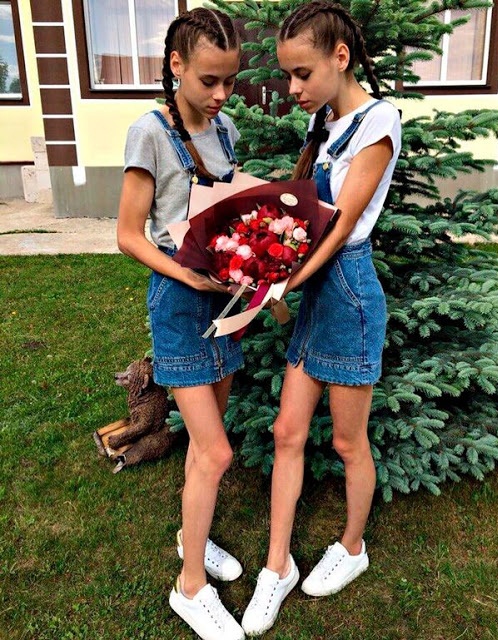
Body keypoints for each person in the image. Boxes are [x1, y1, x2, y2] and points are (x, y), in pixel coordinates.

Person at [242, 1, 401, 635]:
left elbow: (338, 229)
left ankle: (353, 549)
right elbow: (299, 210)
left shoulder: (377, 121)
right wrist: (260, 250)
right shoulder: (326, 122)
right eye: (287, 75)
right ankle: (276, 566)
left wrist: (283, 283)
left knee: (346, 442)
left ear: (341, 57)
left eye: (302, 73)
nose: (292, 88)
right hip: (314, 292)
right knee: (287, 431)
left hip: (348, 292)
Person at [117, 8, 246, 640]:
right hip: (179, 300)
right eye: (208, 81)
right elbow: (127, 234)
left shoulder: (226, 129)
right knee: (217, 451)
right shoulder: (148, 132)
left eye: (230, 81)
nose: (221, 95)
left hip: (226, 301)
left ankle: (188, 535)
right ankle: (189, 587)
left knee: (204, 445)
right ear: (176, 66)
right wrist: (188, 277)